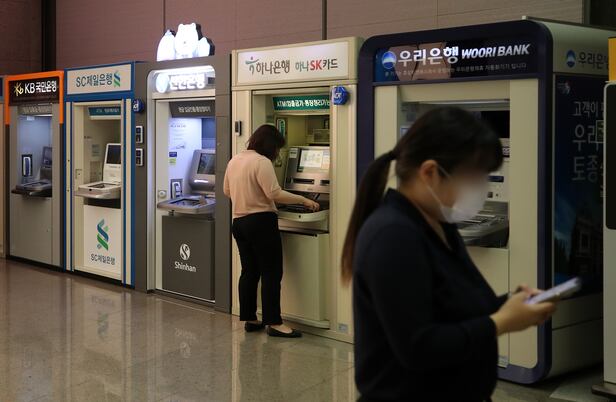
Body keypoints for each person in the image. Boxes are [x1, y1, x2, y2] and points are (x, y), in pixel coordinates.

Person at [341, 107, 556, 401]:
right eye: (474, 177)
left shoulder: (439, 224)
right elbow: (418, 347)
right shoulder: (393, 235)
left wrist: (509, 305)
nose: (481, 188)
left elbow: (452, 307)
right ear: (430, 172)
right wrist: (501, 322)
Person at [224, 124, 319, 338]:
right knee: (271, 273)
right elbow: (274, 193)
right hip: (261, 222)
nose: (277, 153)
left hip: (239, 222)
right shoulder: (261, 161)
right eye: (277, 148)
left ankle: (250, 319)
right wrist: (304, 200)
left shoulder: (235, 160)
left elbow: (226, 190)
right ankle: (274, 323)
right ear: (270, 145)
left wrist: (248, 196)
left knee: (249, 271)